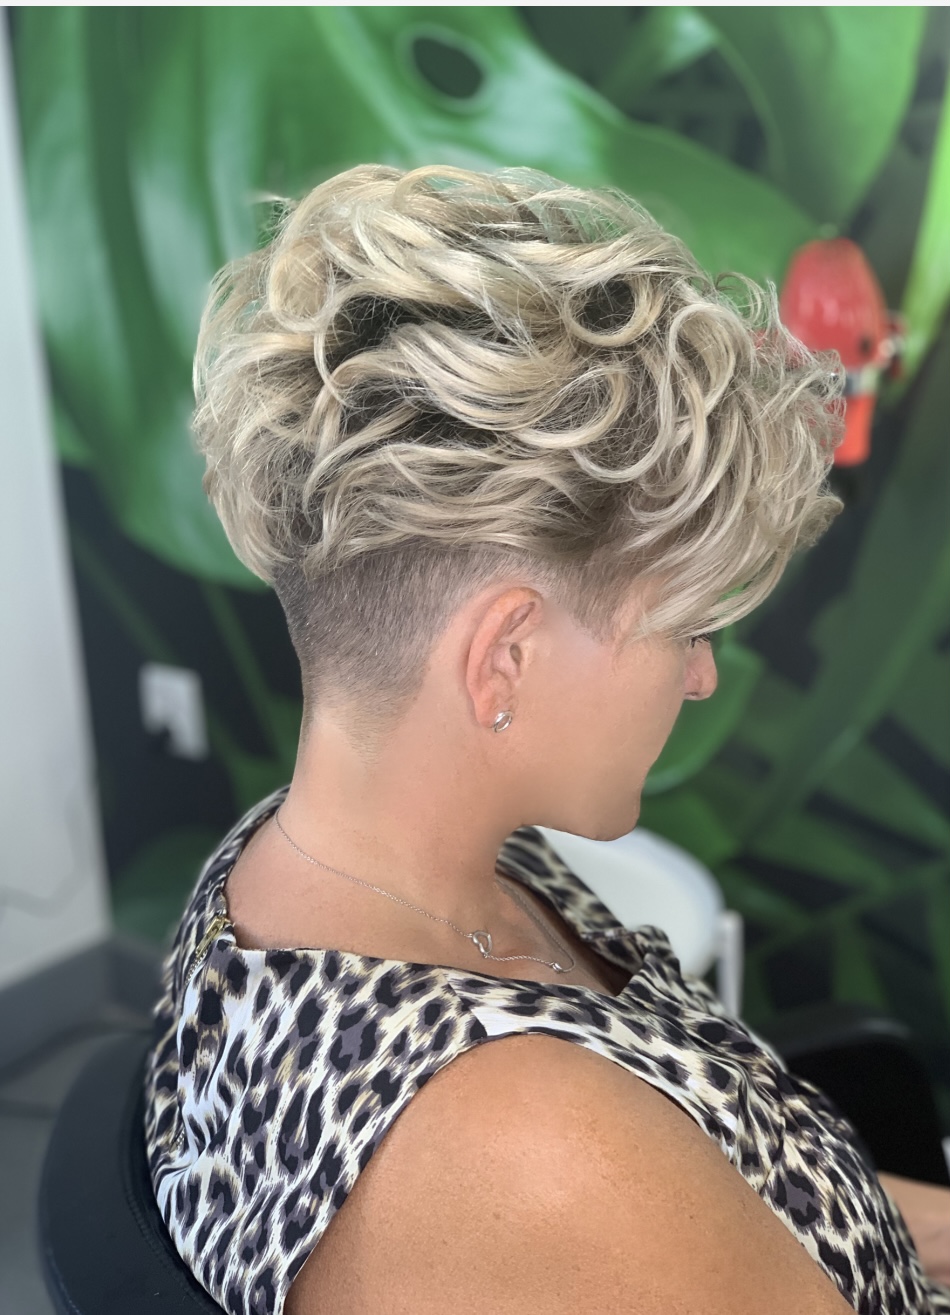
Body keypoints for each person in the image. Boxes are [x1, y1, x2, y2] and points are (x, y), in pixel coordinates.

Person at [142, 164, 950, 1315]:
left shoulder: (325, 865)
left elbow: (753, 1194)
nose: (702, 674)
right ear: (504, 656)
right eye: (686, 626)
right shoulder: (533, 1143)